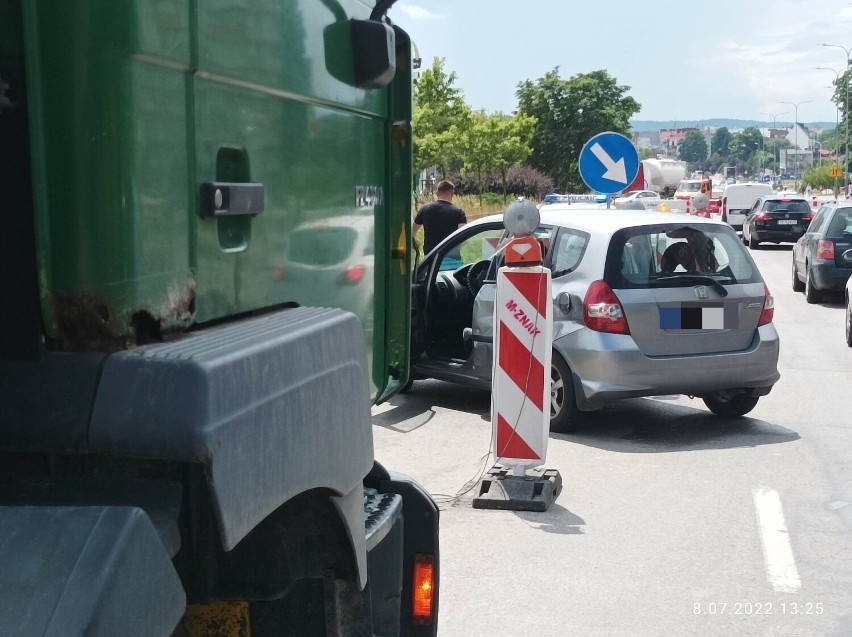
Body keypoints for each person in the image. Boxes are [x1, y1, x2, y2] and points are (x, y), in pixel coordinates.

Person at [412, 180, 467, 255]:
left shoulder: (425, 209)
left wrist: (415, 239)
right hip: (452, 258)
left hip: (431, 258)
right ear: (452, 194)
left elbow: (413, 230)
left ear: (437, 193)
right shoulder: (459, 213)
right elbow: (463, 237)